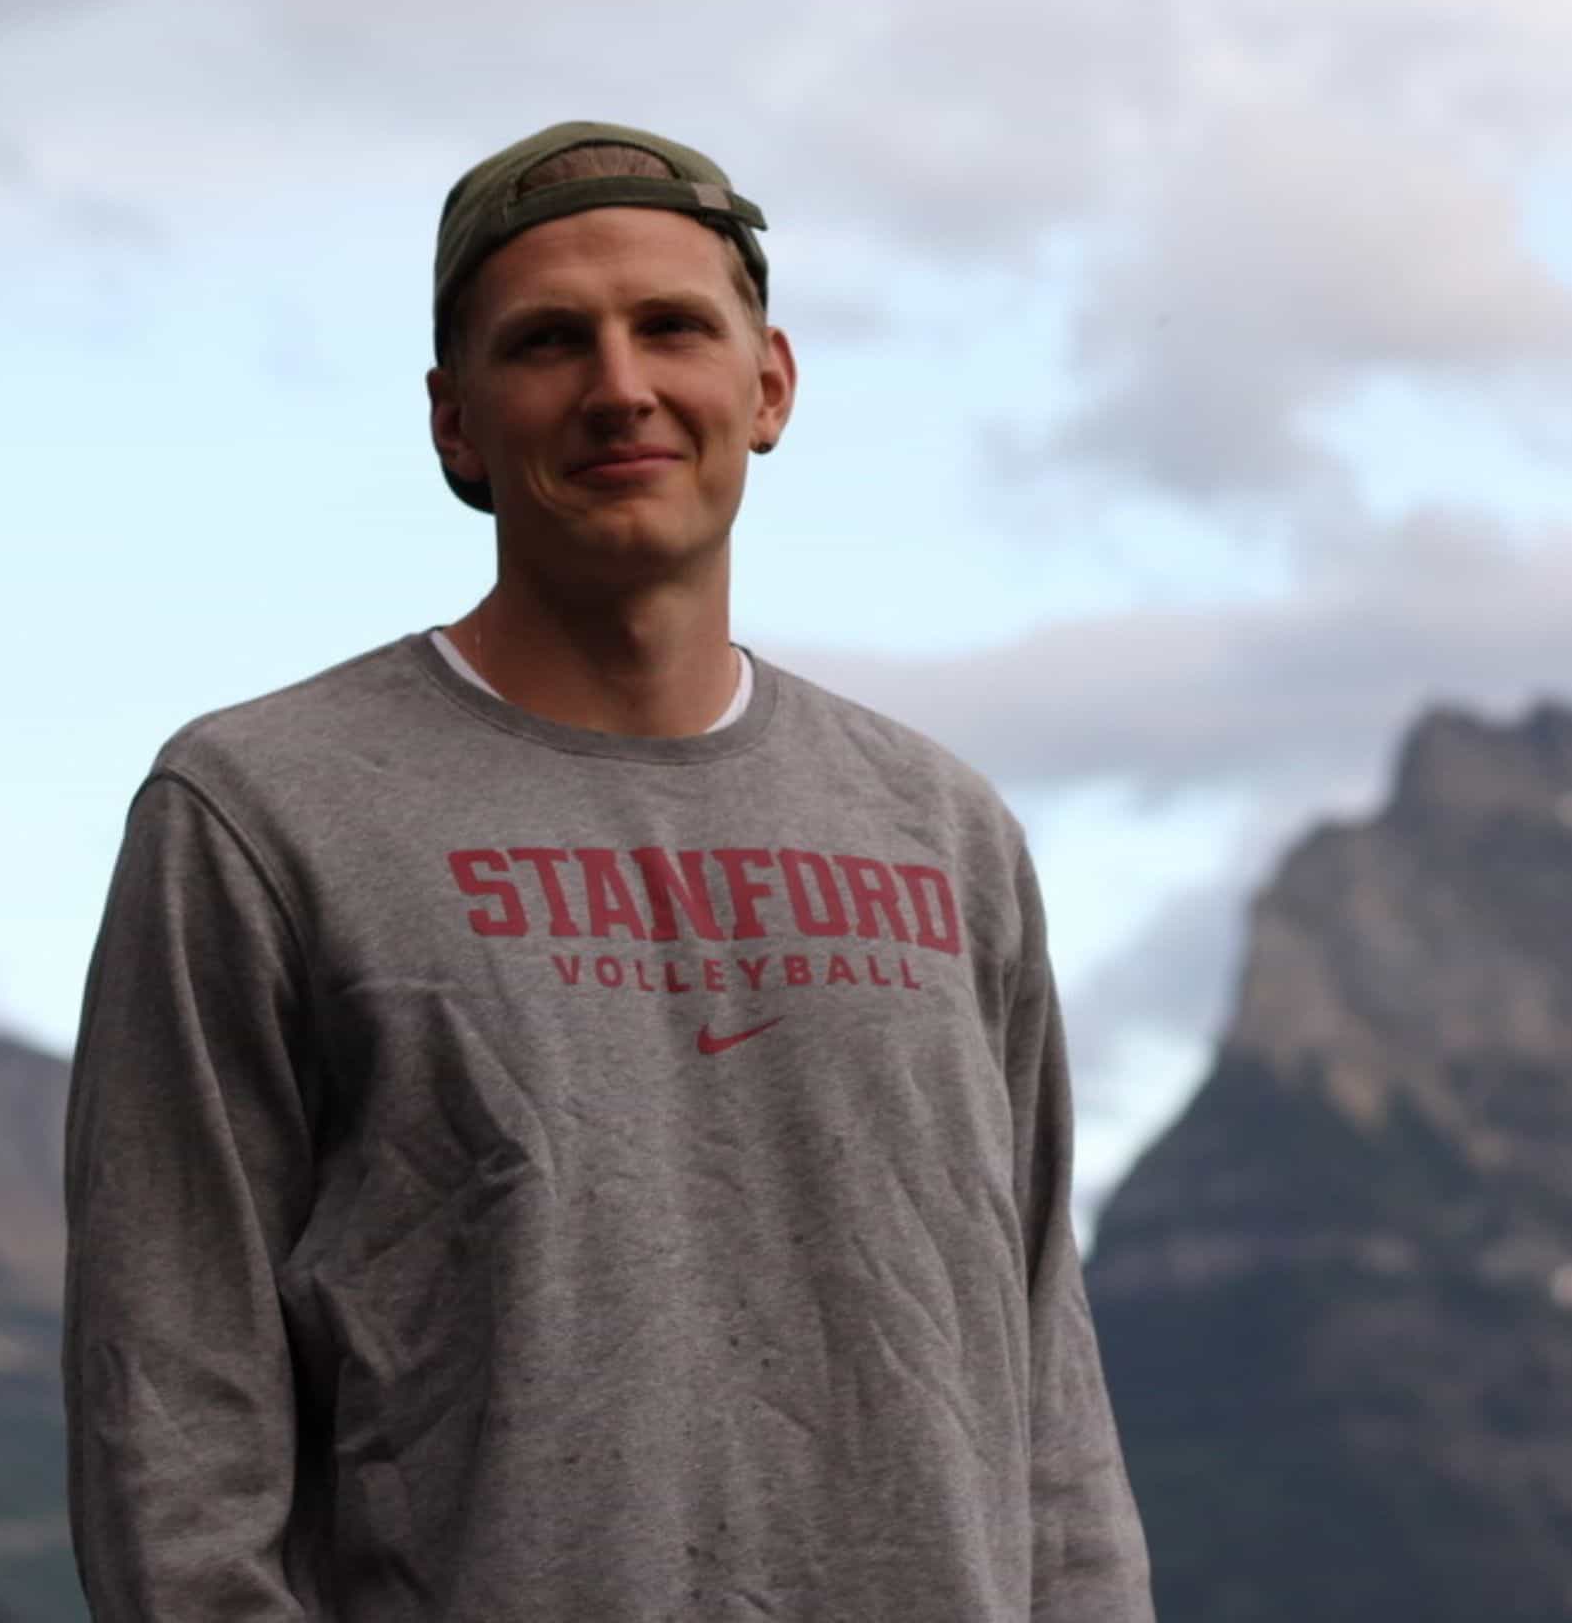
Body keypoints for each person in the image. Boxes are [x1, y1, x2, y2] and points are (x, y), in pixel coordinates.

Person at [62, 120, 1153, 1621]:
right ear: (457, 423)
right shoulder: (259, 814)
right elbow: (169, 1425)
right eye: (549, 342)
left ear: (766, 385)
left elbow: (1047, 1390)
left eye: (673, 329)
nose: (620, 386)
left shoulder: (944, 831)